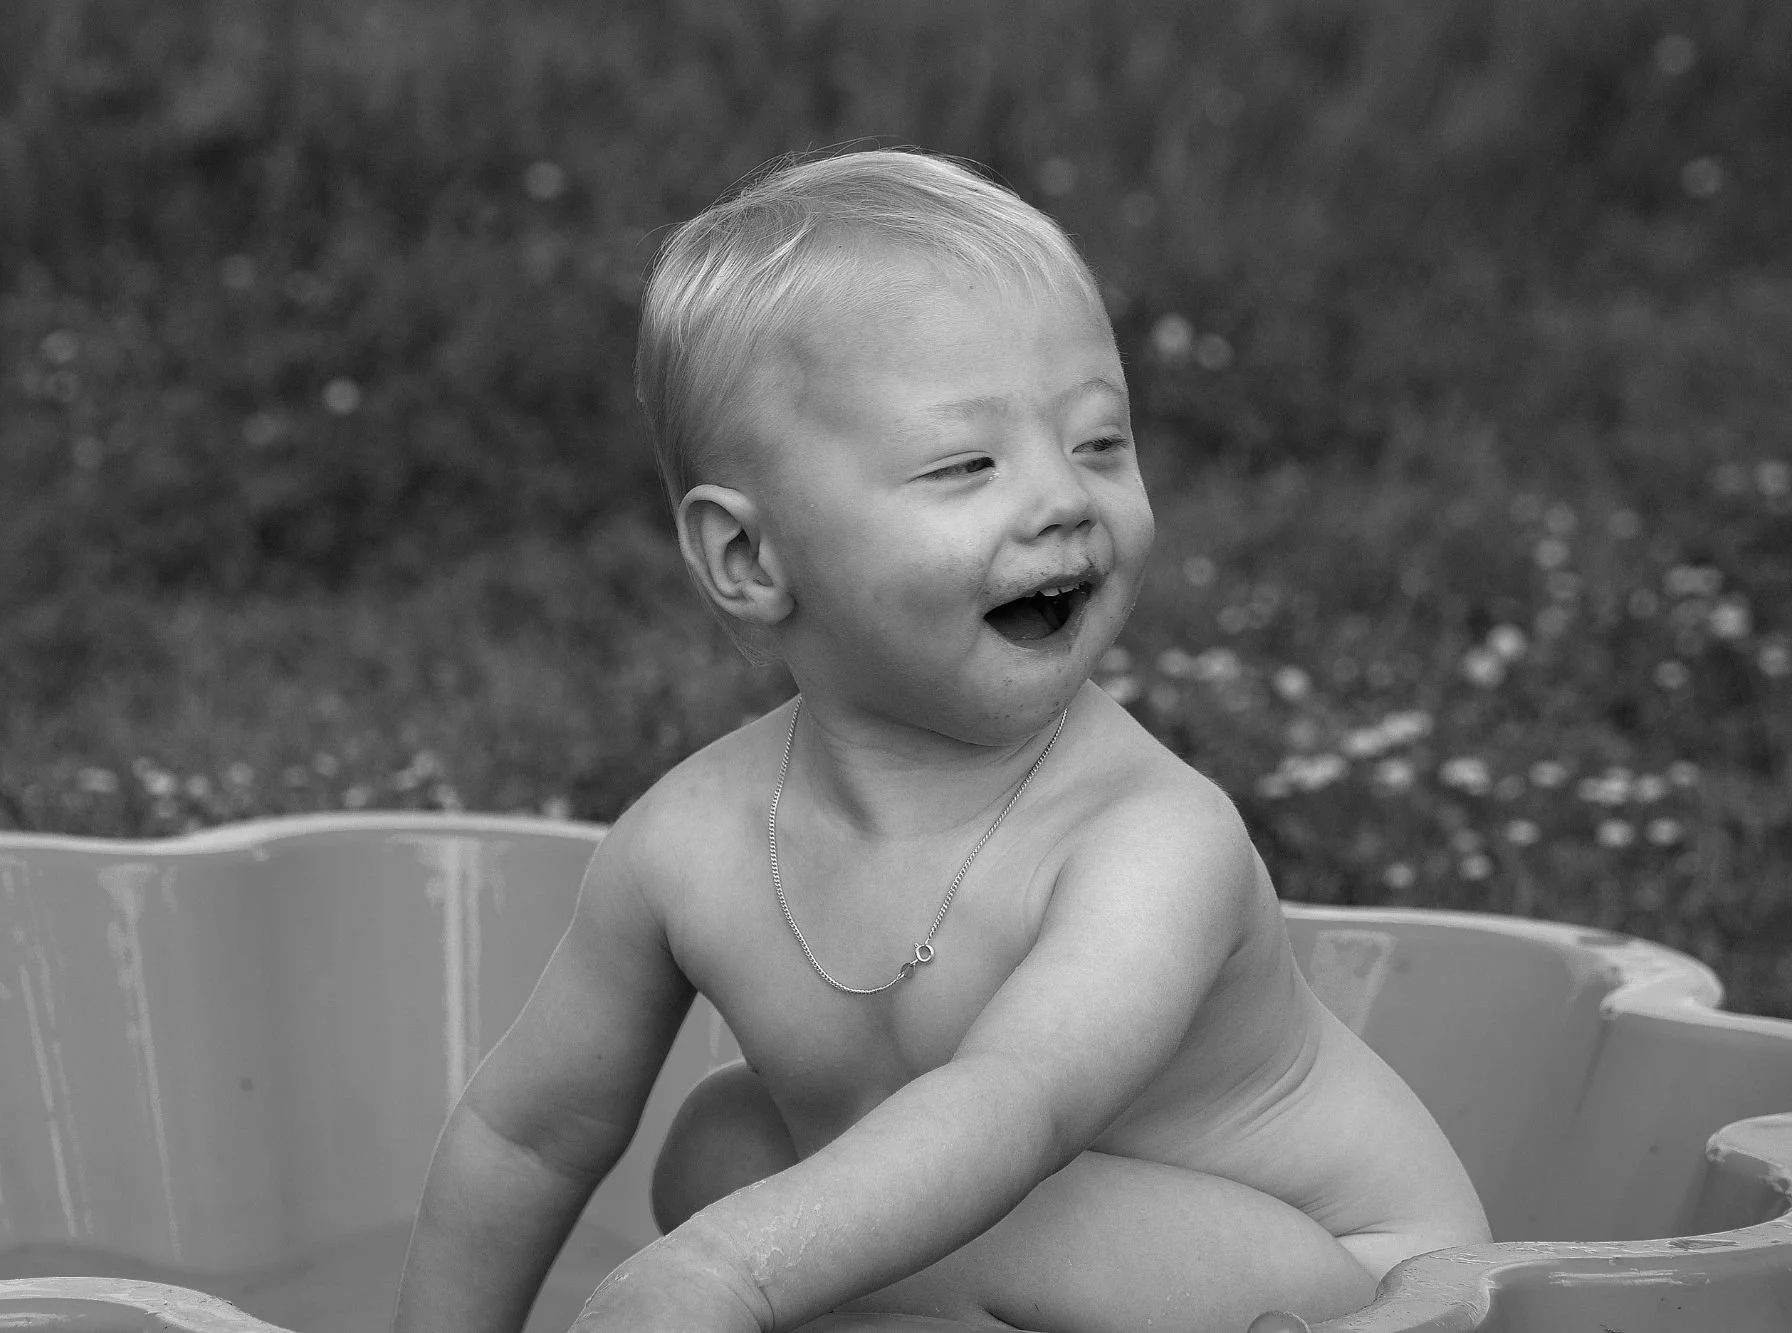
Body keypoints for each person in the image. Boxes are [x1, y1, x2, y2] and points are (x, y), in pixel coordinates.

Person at [393, 147, 1489, 1333]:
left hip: (1360, 1291)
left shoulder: (1150, 840)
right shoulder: (687, 845)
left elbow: (1011, 1107)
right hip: (1061, 1260)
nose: (1061, 498)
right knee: (720, 1150)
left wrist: (726, 1269)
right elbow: (527, 1129)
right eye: (966, 463)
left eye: (1098, 442)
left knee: (875, 1214)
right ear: (749, 561)